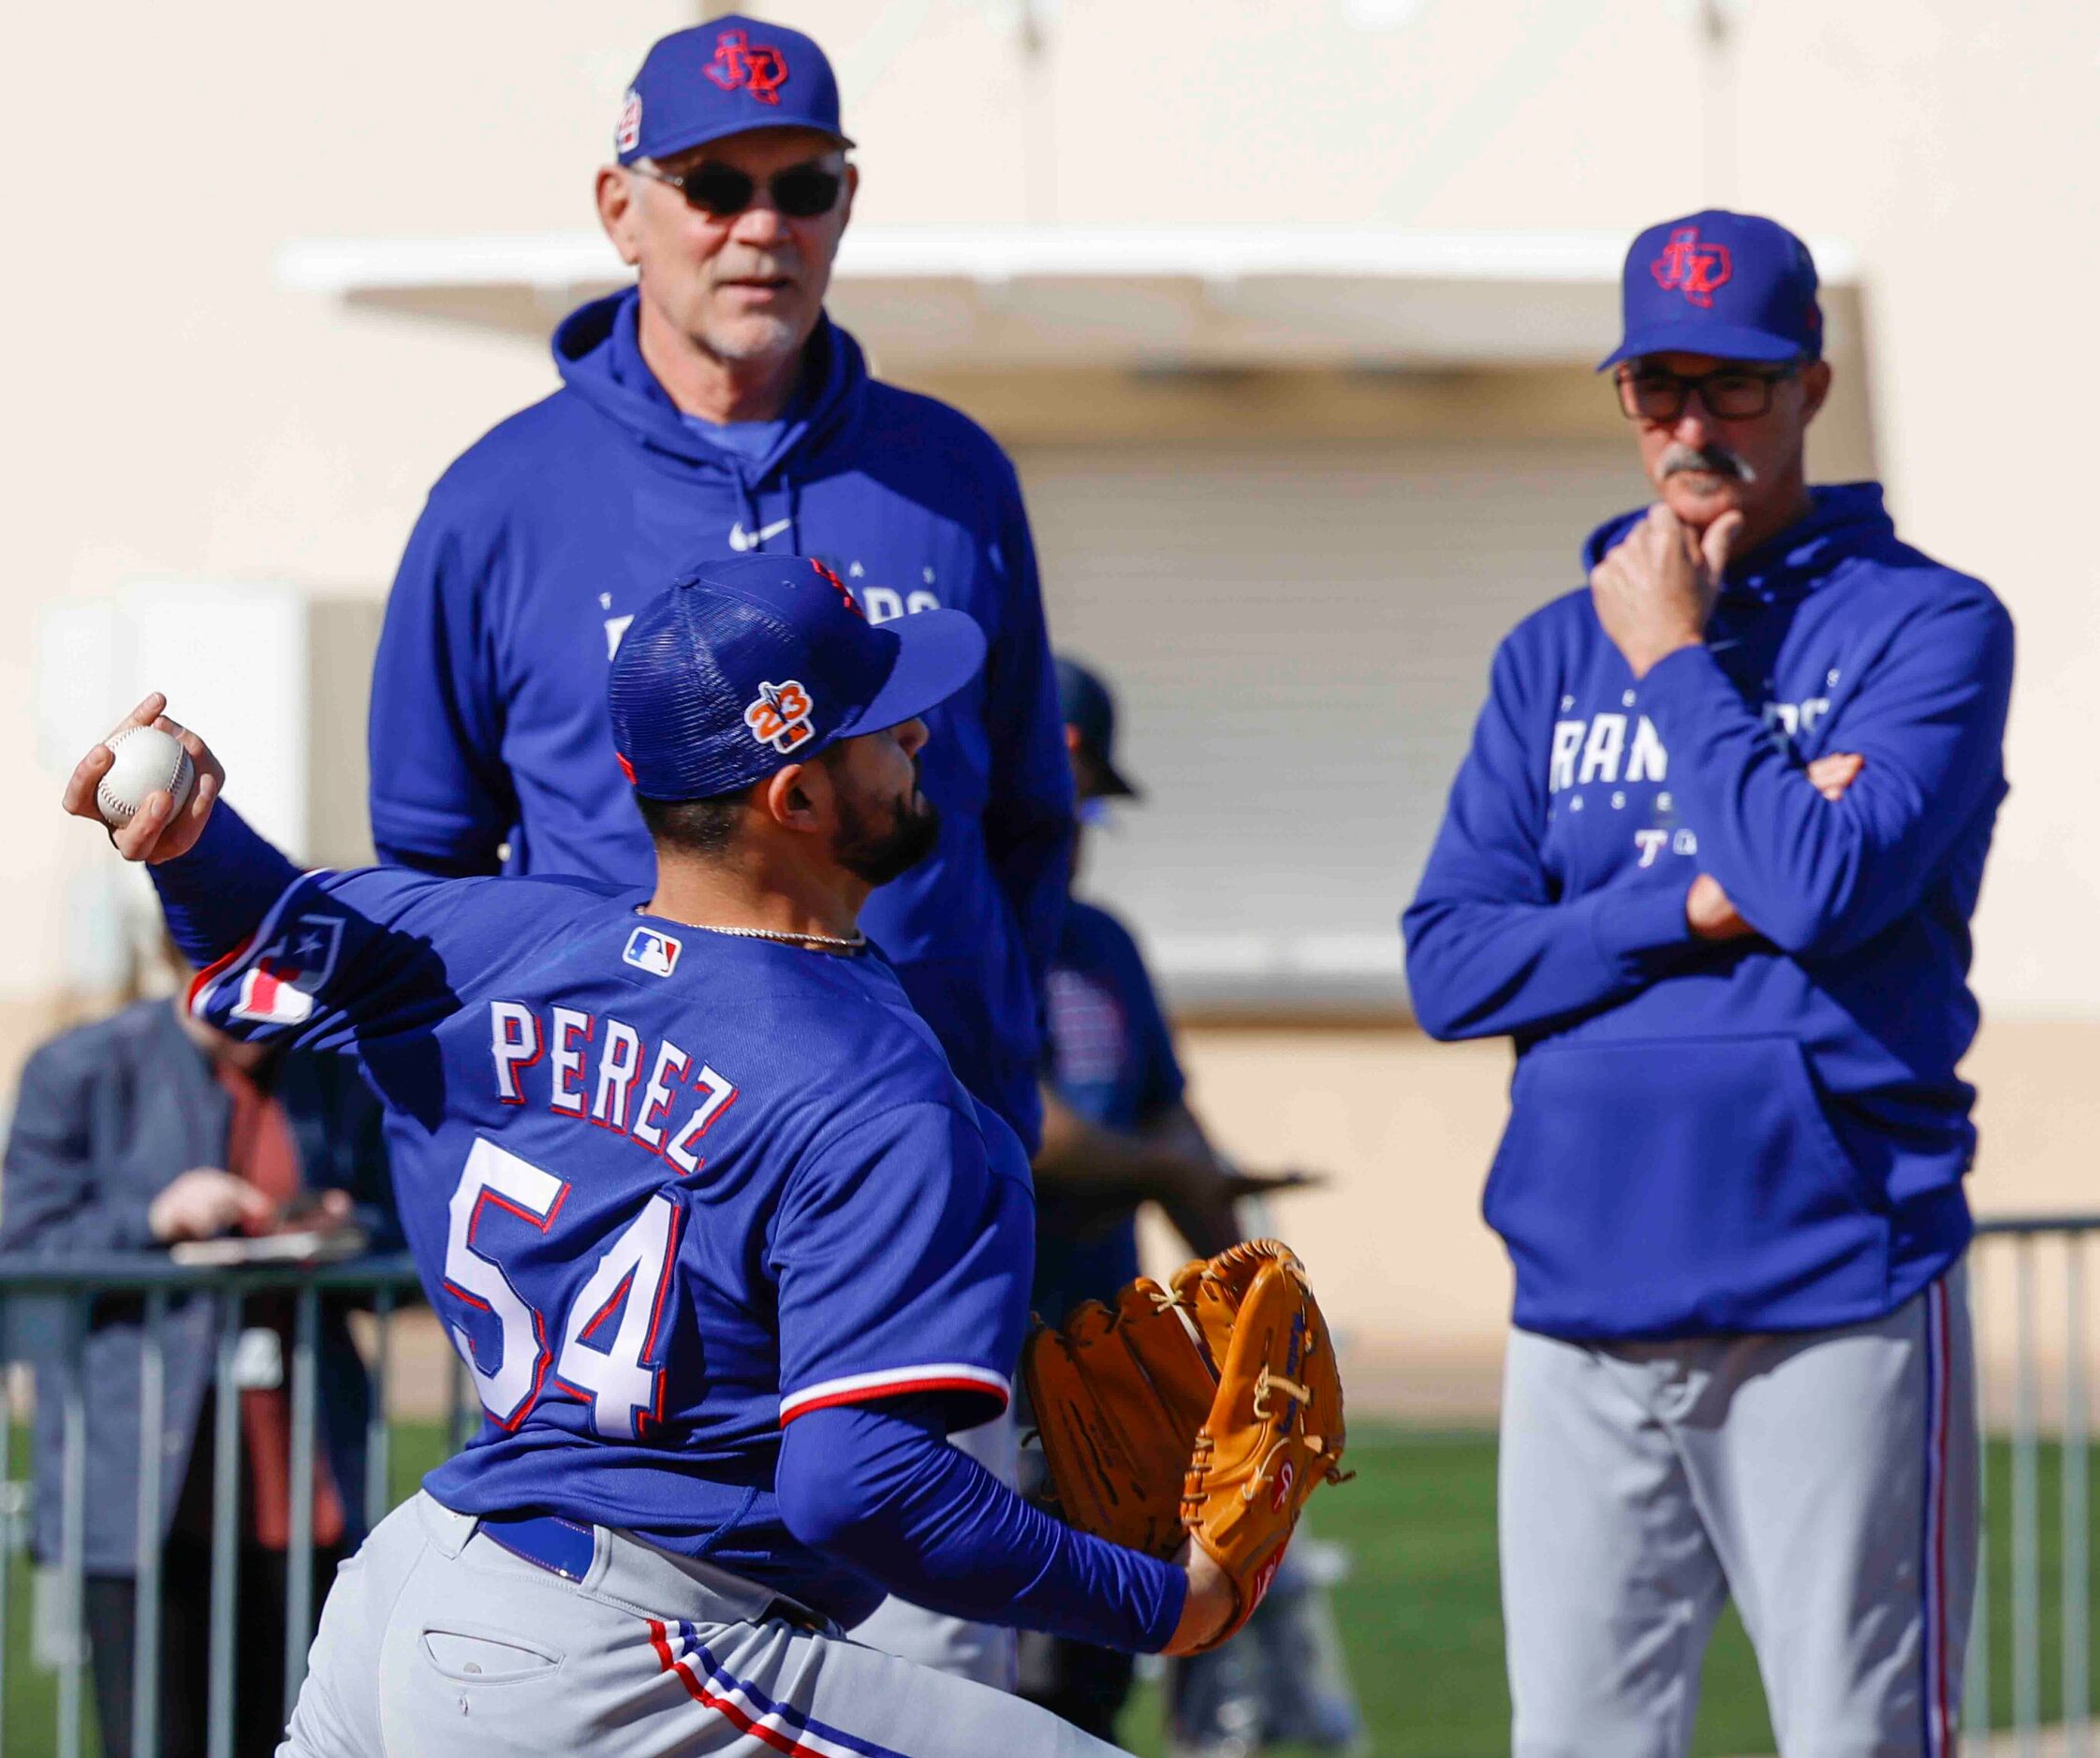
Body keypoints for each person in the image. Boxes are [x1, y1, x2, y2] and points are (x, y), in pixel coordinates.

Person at [66, 556, 1231, 1757]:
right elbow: (859, 1484)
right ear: (797, 798)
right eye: (882, 727)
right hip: (621, 1651)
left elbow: (253, 942)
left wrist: (187, 838)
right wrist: (1164, 1603)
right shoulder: (885, 1098)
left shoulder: (500, 941)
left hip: (409, 1584)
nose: (919, 735)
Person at [366, 22, 1071, 1677]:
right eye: (712, 185)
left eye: (802, 183)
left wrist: (990, 1068)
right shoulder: (501, 498)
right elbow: (424, 895)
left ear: (843, 200)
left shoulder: (949, 474)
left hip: (895, 1240)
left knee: (914, 1685)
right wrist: (471, 1219)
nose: (761, 223)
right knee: (615, 1698)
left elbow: (1024, 817)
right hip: (627, 1265)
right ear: (622, 209)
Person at [1403, 208, 2014, 1756]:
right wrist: (1679, 901)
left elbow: (1815, 884)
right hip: (1578, 1290)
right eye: (1654, 385)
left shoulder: (1923, 624)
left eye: (1731, 385)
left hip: (1828, 1280)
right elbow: (1448, 958)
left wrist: (1675, 657)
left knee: (1854, 1736)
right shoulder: (1552, 648)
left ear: (1809, 385)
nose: (1690, 425)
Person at [1022, 656, 1329, 1752]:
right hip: (985, 1389)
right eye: (1056, 801)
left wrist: (1261, 1344)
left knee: (1091, 1695)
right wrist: (1165, 1171)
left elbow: (1175, 1132)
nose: (1071, 831)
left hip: (1106, 1385)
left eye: (1085, 807)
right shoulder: (948, 942)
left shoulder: (1102, 946)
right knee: (1000, 1695)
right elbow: (1038, 1140)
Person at [0, 974, 392, 1758]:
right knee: (155, 1738)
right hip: (141, 1491)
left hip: (302, 1479)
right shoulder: (81, 1066)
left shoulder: (335, 1069)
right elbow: (22, 1247)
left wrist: (350, 1229)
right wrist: (153, 1220)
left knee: (295, 1739)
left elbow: (414, 1226)